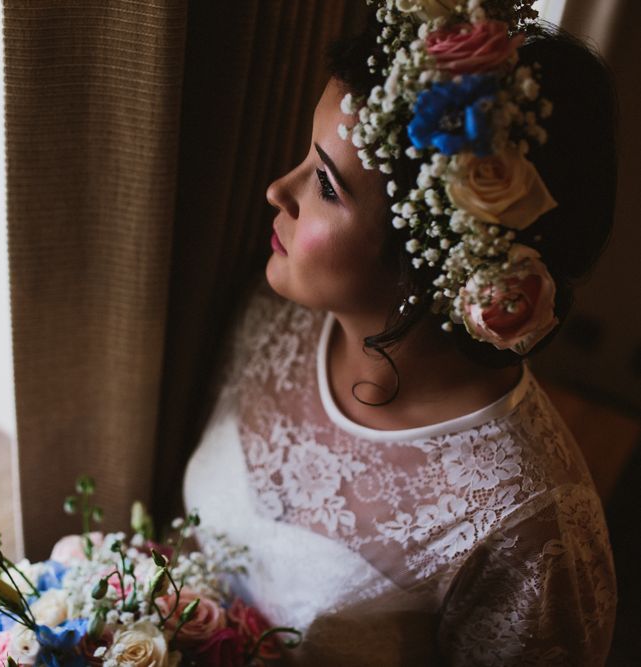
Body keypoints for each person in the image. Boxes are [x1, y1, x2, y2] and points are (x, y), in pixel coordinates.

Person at [183, 2, 617, 664]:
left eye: (325, 185)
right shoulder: (272, 319)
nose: (277, 189)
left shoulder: (527, 527)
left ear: (437, 253)